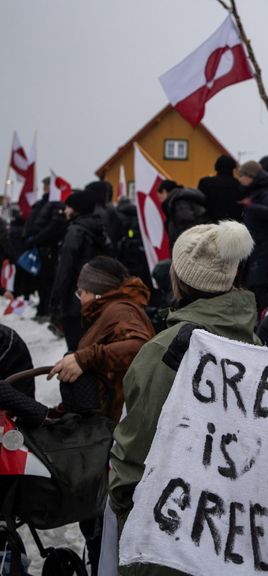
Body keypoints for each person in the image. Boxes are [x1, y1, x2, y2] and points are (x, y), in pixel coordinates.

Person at [109, 221, 258, 558]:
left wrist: (121, 504)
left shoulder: (164, 350)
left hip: (171, 532)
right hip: (238, 528)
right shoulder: (257, 342)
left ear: (177, 280)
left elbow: (136, 446)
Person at [47, 256, 154, 574]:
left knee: (102, 519)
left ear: (96, 291)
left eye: (81, 290)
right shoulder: (109, 310)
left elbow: (141, 347)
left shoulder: (118, 310)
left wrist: (86, 357)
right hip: (108, 427)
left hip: (116, 431)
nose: (78, 297)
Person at [50, 190, 110, 351]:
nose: (65, 211)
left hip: (74, 300)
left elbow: (65, 269)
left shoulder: (75, 232)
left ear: (77, 209)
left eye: (68, 207)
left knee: (76, 350)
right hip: (96, 299)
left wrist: (55, 302)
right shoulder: (99, 228)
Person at [237, 160, 268, 311]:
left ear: (249, 176)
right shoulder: (258, 191)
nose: (239, 179)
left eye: (242, 176)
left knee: (261, 291)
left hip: (265, 249)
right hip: (261, 248)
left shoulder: (263, 192)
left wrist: (251, 206)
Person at [22, 176, 68, 320]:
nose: (45, 187)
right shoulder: (41, 203)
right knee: (39, 281)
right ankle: (41, 309)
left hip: (48, 248)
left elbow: (54, 227)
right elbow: (31, 222)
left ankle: (47, 311)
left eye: (47, 185)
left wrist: (37, 239)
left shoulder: (57, 204)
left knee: (48, 282)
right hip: (37, 248)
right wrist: (27, 237)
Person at [156, 180, 209, 248]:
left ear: (164, 191)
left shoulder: (179, 202)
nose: (160, 201)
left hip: (190, 246)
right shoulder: (181, 199)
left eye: (160, 197)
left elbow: (186, 224)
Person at [197, 154, 244, 222]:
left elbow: (199, 206)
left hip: (210, 226)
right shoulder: (240, 185)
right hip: (234, 227)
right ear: (233, 168)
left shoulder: (205, 183)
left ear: (216, 167)